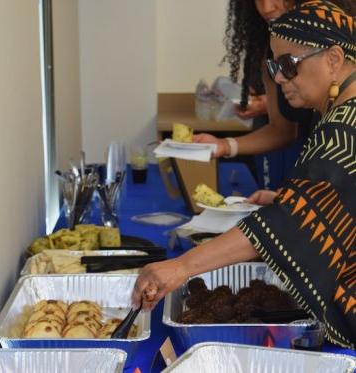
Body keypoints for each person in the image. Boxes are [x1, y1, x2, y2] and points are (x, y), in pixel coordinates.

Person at [132, 0, 356, 349]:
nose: (279, 77)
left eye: (288, 64)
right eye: (274, 64)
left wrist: (181, 266)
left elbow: (287, 225)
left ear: (333, 60)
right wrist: (290, 200)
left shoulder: (345, 129)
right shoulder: (340, 114)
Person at [193, 0, 355, 161]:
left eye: (289, 65)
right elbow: (281, 130)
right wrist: (224, 145)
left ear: (334, 60)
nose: (267, 8)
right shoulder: (270, 51)